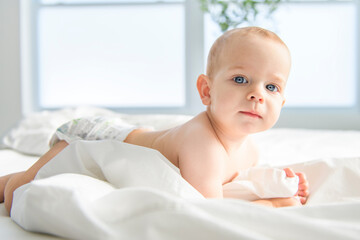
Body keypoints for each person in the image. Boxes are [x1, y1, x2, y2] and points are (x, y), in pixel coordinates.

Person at [0, 26, 309, 214]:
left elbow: (240, 183)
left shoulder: (251, 150)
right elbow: (209, 213)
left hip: (136, 136)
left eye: (271, 87)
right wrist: (273, 205)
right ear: (206, 90)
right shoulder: (203, 142)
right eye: (240, 79)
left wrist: (281, 184)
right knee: (19, 189)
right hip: (93, 139)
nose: (257, 94)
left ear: (281, 101)